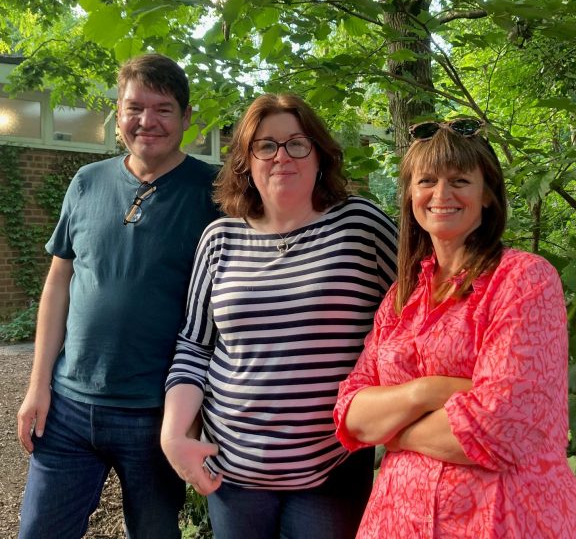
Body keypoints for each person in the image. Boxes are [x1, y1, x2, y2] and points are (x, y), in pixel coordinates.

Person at [333, 118, 576, 538]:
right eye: (426, 181)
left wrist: (395, 432)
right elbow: (352, 414)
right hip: (398, 522)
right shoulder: (402, 295)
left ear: (487, 194)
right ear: (410, 195)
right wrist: (427, 392)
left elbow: (500, 428)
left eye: (459, 181)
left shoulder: (523, 280)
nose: (441, 194)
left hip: (504, 520)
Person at [160, 93, 397, 539]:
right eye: (265, 145)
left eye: (297, 144)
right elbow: (195, 345)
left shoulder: (360, 226)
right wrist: (173, 435)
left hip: (332, 467)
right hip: (231, 471)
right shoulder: (219, 238)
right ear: (245, 161)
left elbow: (421, 313)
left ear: (320, 156)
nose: (281, 156)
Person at [17, 53, 221, 539]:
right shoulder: (86, 182)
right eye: (134, 108)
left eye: (163, 109)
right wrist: (37, 385)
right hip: (68, 406)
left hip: (157, 412)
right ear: (118, 114)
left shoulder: (216, 193)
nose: (147, 121)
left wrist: (195, 416)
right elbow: (58, 282)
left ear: (187, 118)